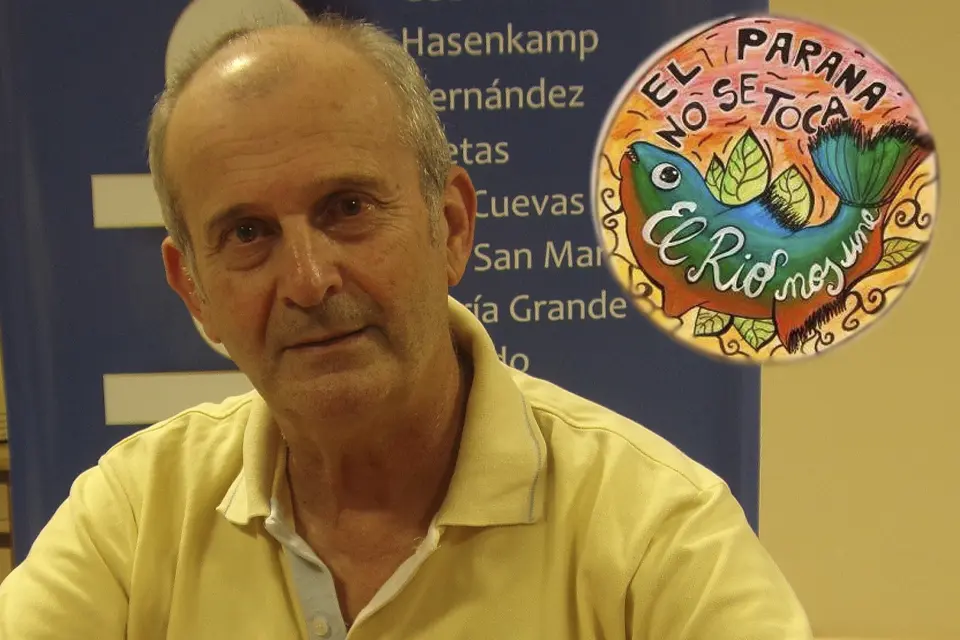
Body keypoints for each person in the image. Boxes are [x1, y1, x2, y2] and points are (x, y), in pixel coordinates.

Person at [0, 14, 812, 639]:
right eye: (247, 233)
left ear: (450, 226)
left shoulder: (657, 534)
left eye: (347, 208)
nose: (309, 280)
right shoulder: (135, 515)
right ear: (194, 291)